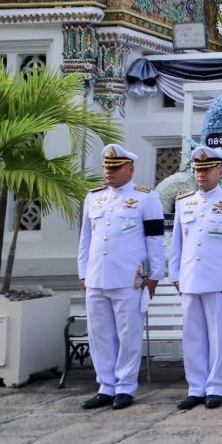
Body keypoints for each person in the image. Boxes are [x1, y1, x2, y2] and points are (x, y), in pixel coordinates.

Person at [77, 144, 166, 410]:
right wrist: (83, 272)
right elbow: (86, 239)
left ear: (130, 169)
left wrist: (154, 276)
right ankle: (106, 386)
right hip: (96, 277)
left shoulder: (146, 198)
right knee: (100, 335)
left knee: (129, 335)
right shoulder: (94, 198)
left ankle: (125, 387)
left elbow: (155, 240)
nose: (109, 172)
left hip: (130, 278)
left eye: (115, 168)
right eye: (106, 167)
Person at [169, 145, 222, 410]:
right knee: (192, 335)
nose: (201, 175)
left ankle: (216, 387)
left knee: (218, 337)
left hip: (219, 279)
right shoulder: (184, 203)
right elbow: (176, 244)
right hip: (190, 278)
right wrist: (175, 275)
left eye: (207, 170)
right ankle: (196, 387)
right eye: (197, 170)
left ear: (220, 171)